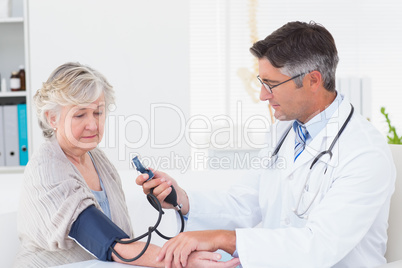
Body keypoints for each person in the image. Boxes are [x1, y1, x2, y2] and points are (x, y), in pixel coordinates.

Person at [137, 21, 396, 268]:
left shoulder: (364, 152)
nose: (262, 95)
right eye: (262, 83)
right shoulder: (283, 132)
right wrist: (181, 199)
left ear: (313, 80)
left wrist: (224, 238)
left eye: (272, 84)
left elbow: (320, 245)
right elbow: (245, 203)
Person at [14, 62, 240, 268]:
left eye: (98, 112)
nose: (92, 124)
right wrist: (181, 260)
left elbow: (123, 238)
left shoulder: (98, 160)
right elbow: (107, 240)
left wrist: (173, 198)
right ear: (52, 118)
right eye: (80, 114)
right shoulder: (47, 168)